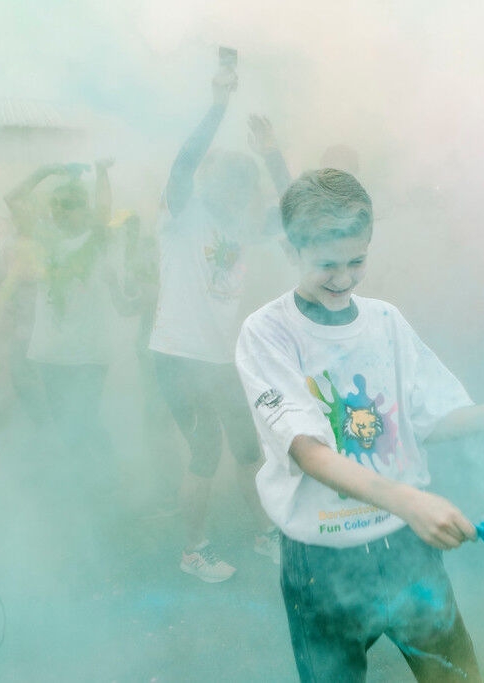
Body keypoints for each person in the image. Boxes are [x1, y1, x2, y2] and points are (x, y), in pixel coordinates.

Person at [235, 169, 484, 682]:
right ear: (291, 252)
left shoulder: (385, 322)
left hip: (406, 551)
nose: (344, 278)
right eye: (326, 264)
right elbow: (308, 451)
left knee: (457, 677)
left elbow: (425, 419)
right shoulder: (268, 333)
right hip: (322, 564)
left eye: (357, 261)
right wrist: (411, 500)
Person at [148, 62, 290, 582]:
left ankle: (263, 533)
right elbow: (183, 162)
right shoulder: (182, 213)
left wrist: (272, 154)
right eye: (228, 181)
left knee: (249, 448)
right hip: (179, 355)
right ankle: (193, 550)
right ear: (211, 181)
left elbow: (295, 211)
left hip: (223, 358)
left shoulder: (241, 224)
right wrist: (218, 104)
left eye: (242, 185)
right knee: (205, 451)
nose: (235, 192)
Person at [4, 159, 130, 494]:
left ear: (82, 209)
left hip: (89, 354)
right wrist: (45, 170)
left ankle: (104, 483)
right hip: (50, 353)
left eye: (69, 205)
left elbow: (104, 209)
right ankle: (87, 487)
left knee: (83, 421)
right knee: (66, 426)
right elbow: (13, 198)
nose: (60, 211)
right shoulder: (45, 238)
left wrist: (102, 173)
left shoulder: (98, 237)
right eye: (56, 205)